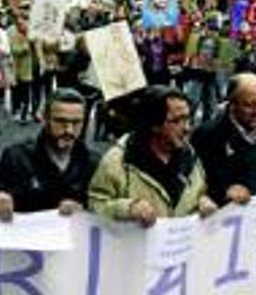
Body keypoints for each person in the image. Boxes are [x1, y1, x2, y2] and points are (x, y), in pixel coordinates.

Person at [89, 86, 217, 226]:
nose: (187, 128)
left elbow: (200, 191)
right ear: (154, 125)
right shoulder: (118, 161)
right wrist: (128, 208)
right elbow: (95, 206)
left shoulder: (190, 155)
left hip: (178, 245)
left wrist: (203, 201)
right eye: (176, 121)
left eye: (188, 119)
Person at [191, 73, 256, 207]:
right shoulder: (208, 135)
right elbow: (195, 183)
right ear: (232, 104)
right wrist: (223, 191)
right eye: (248, 105)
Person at [0, 89, 100, 214]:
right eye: (61, 121)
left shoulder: (93, 163)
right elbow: (1, 197)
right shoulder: (16, 157)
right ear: (45, 119)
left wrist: (84, 211)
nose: (69, 130)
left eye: (76, 122)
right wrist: (0, 200)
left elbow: (100, 208)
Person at [8, 13, 36, 123]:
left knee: (25, 91)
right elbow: (13, 49)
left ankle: (24, 113)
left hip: (27, 68)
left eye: (24, 21)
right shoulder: (11, 32)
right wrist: (25, 47)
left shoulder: (30, 33)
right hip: (14, 66)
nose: (22, 24)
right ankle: (15, 110)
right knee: (15, 91)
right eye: (19, 22)